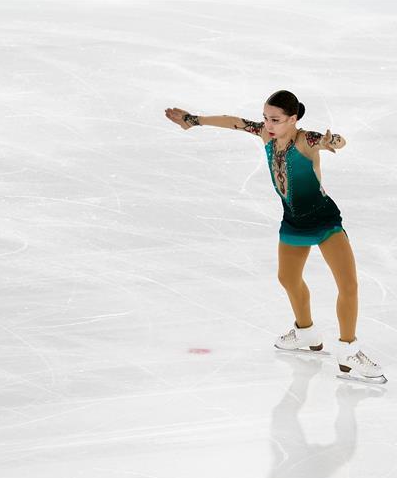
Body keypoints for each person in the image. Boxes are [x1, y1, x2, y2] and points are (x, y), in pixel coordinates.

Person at [164, 89, 385, 383]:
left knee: (348, 284)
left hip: (325, 221)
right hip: (293, 221)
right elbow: (235, 122)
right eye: (266, 118)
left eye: (276, 119)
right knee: (288, 278)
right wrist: (194, 120)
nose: (268, 124)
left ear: (293, 119)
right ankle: (306, 332)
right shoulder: (267, 136)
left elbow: (332, 141)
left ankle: (348, 350)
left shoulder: (305, 140)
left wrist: (335, 141)